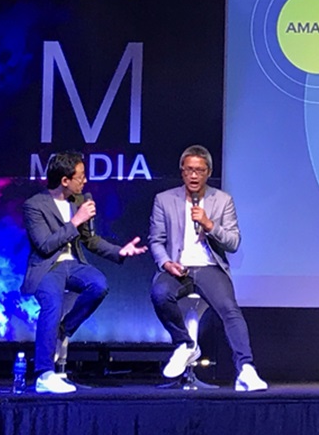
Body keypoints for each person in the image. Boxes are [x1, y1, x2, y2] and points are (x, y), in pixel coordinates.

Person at [22, 151, 147, 394]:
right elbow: (45, 245)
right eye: (80, 176)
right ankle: (44, 374)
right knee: (52, 304)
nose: (85, 181)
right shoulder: (34, 205)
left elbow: (90, 240)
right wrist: (75, 221)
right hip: (48, 266)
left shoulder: (80, 201)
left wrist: (120, 251)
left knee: (98, 285)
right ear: (64, 180)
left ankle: (64, 330)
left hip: (74, 264)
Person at [149, 144, 268, 391]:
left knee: (229, 309)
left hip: (209, 267)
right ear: (182, 171)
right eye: (189, 170)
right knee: (159, 294)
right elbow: (156, 240)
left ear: (208, 173)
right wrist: (166, 263)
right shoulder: (164, 200)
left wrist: (209, 224)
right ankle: (185, 344)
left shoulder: (222, 201)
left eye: (200, 171)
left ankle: (246, 370)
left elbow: (233, 242)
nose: (194, 176)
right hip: (177, 268)